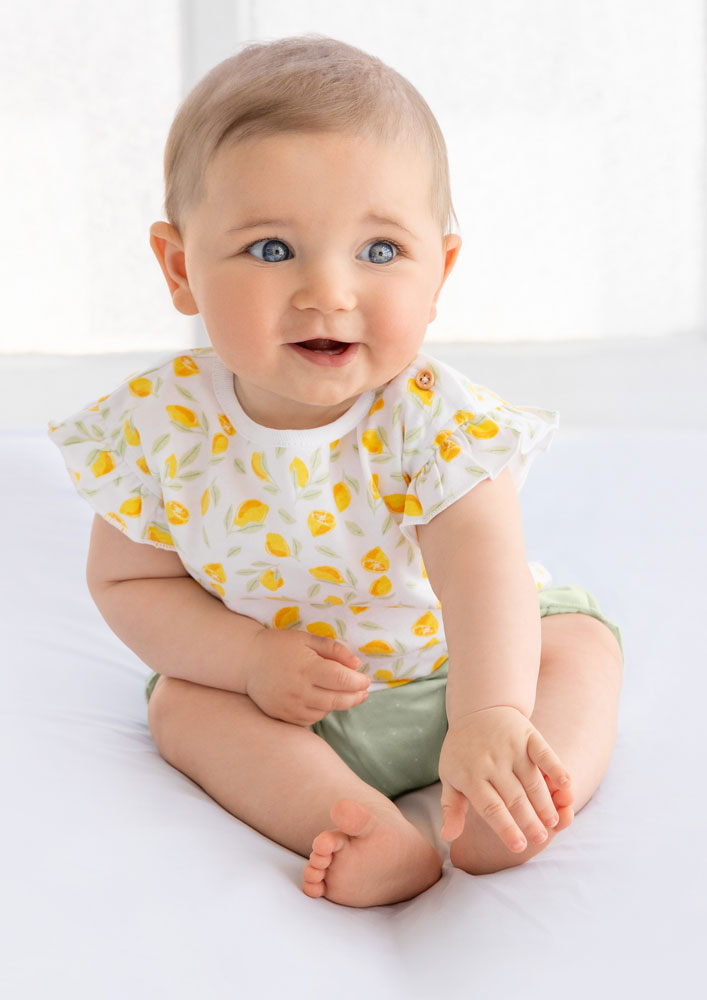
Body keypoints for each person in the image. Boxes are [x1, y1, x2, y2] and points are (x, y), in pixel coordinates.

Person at [48, 35, 624, 908]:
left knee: (576, 644)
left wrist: (488, 714)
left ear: (439, 272)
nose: (328, 291)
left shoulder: (431, 418)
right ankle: (360, 824)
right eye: (272, 249)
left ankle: (510, 794)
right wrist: (248, 660)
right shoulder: (159, 427)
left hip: (465, 668)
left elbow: (483, 578)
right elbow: (130, 582)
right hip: (291, 706)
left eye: (379, 251)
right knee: (182, 708)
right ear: (180, 267)